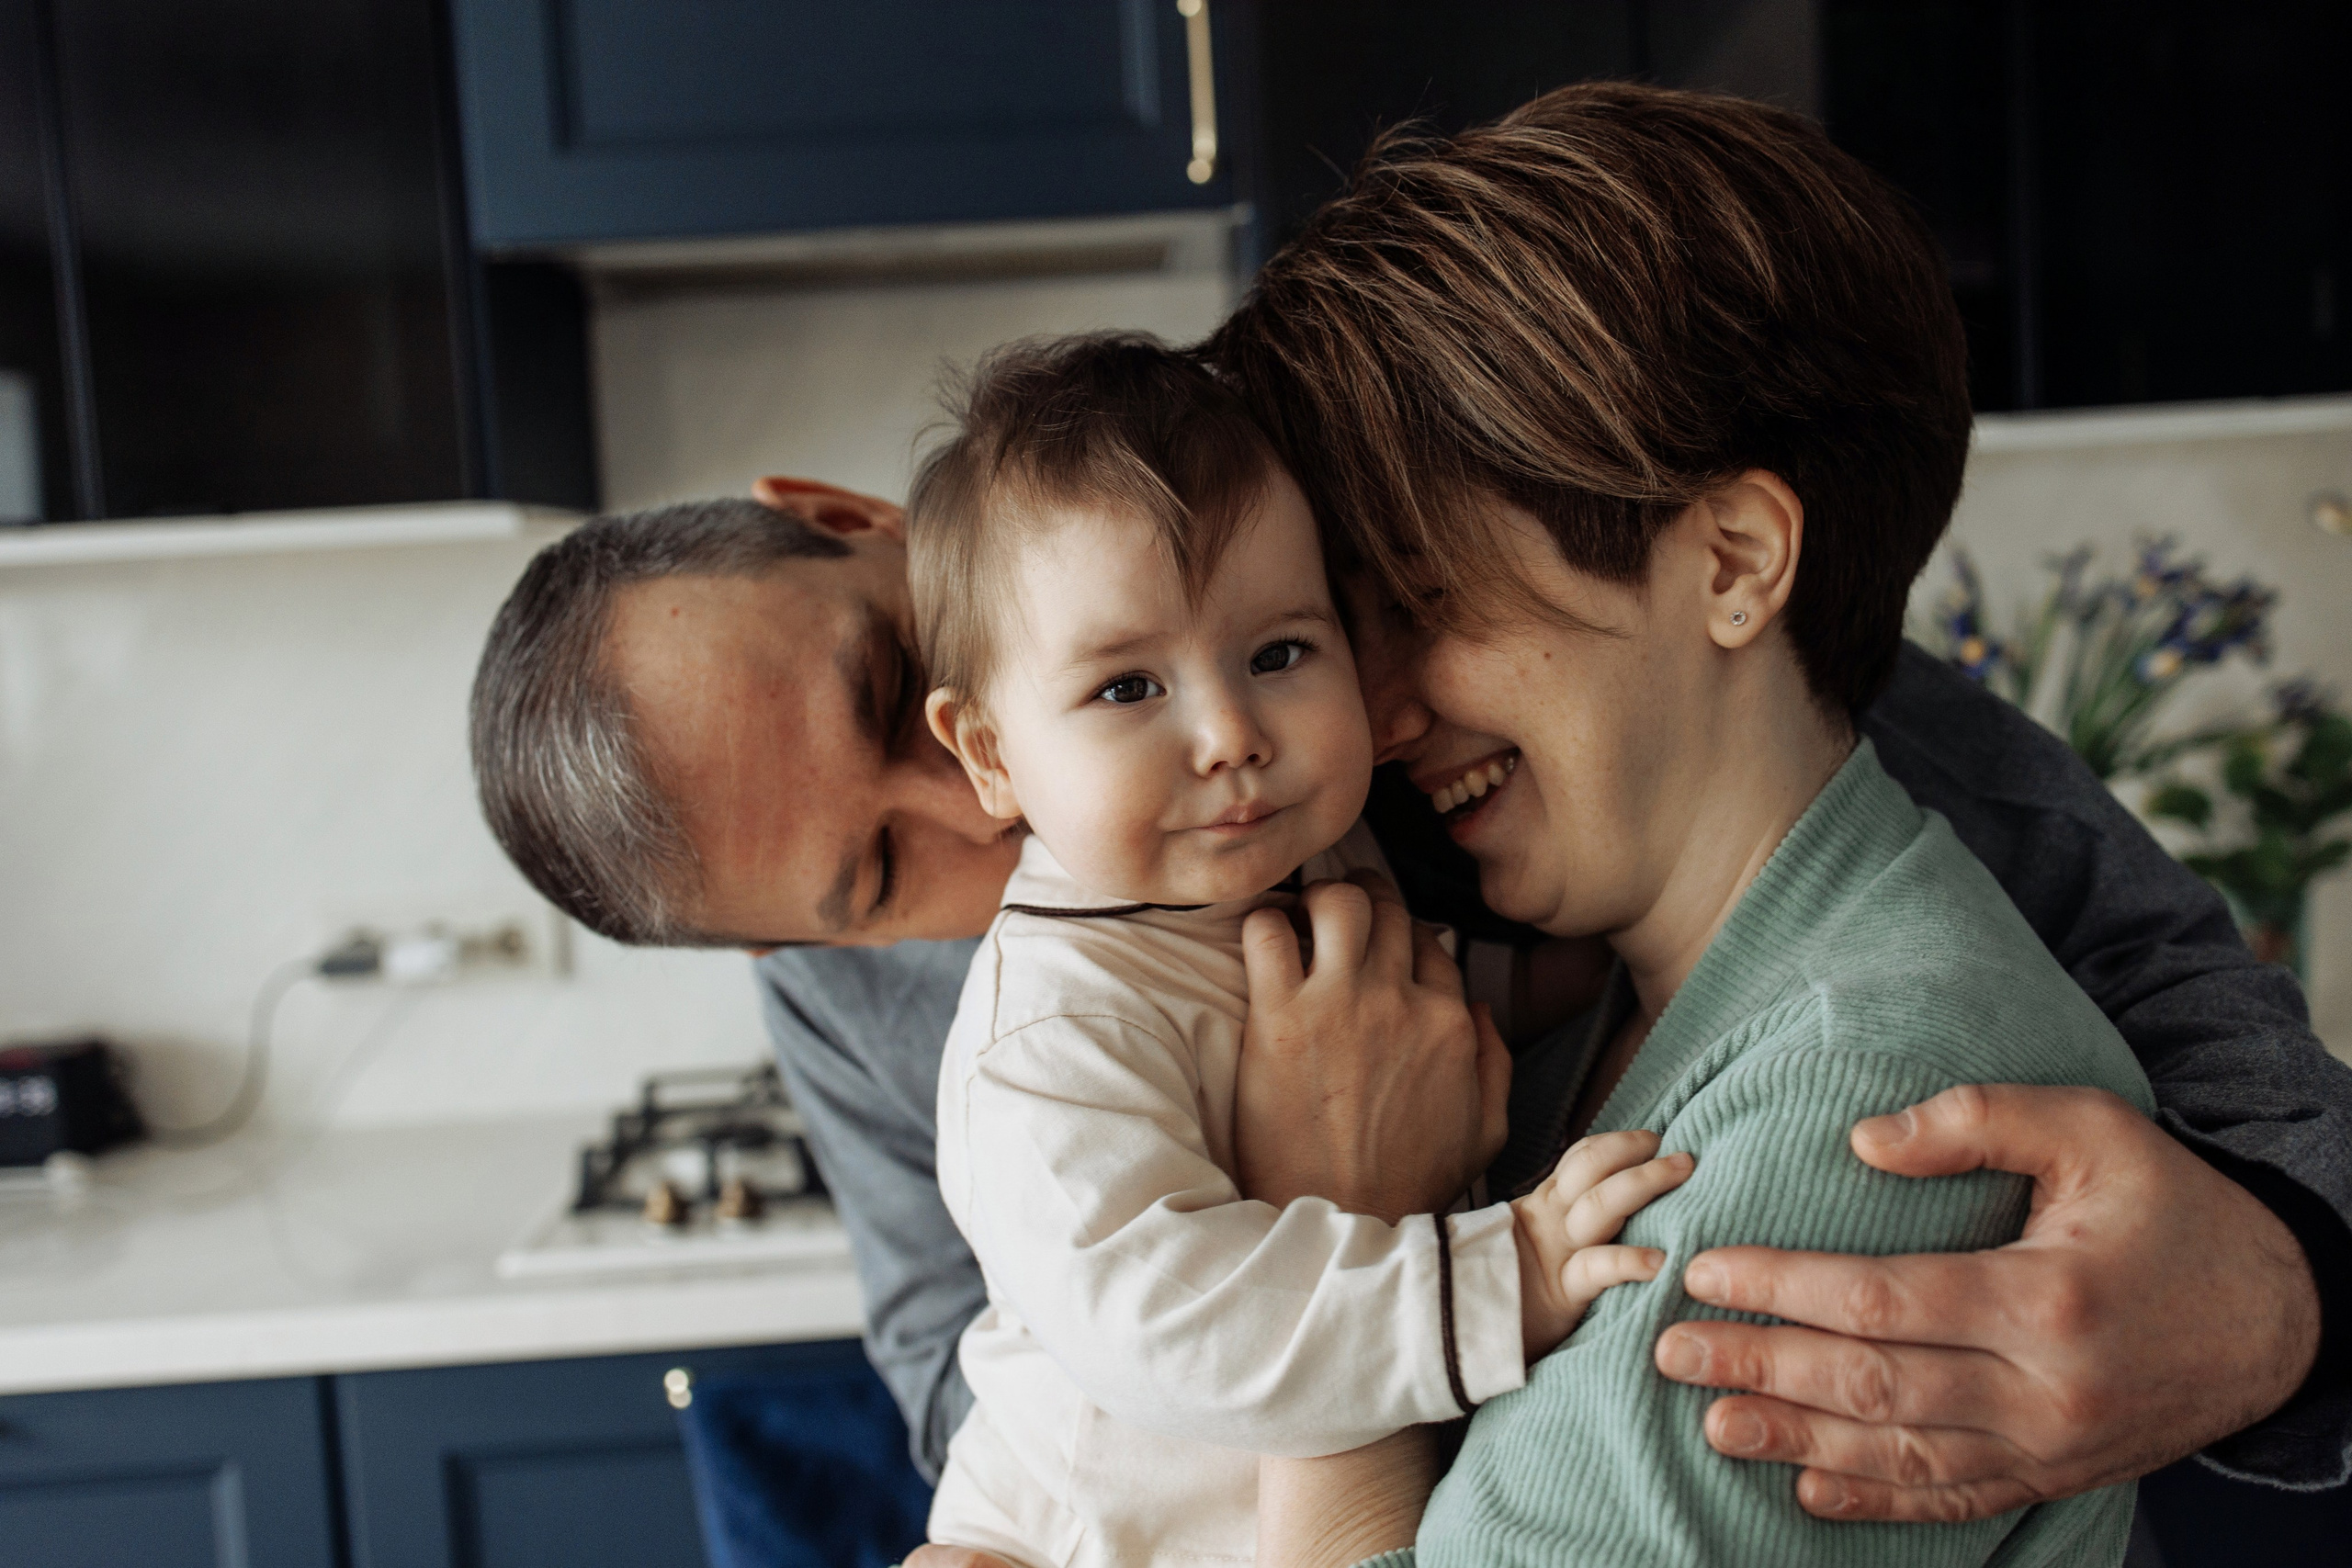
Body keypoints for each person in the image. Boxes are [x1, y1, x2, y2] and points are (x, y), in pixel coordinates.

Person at [465, 165, 2350, 1553]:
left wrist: (2290, 1289)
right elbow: (974, 1355)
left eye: (889, 689)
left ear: (857, 525)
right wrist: (1324, 1244)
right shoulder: (848, 973)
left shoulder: (1267, 551)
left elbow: (1836, 777)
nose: (984, 814)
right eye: (875, 876)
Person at [1192, 79, 2154, 1564]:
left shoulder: (1866, 1104)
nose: (1372, 720)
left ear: (1732, 561)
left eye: (1426, 598)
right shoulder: (1600, 1011)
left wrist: (1332, 1257)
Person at [903, 333, 1688, 1565]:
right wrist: (1505, 1276)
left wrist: (1541, 982)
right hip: (1100, 1534)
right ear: (991, 754)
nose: (1230, 734)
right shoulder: (1048, 1045)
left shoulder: (1293, 853)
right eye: (1127, 690)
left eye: (1279, 655)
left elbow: (1387, 982)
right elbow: (1177, 1326)